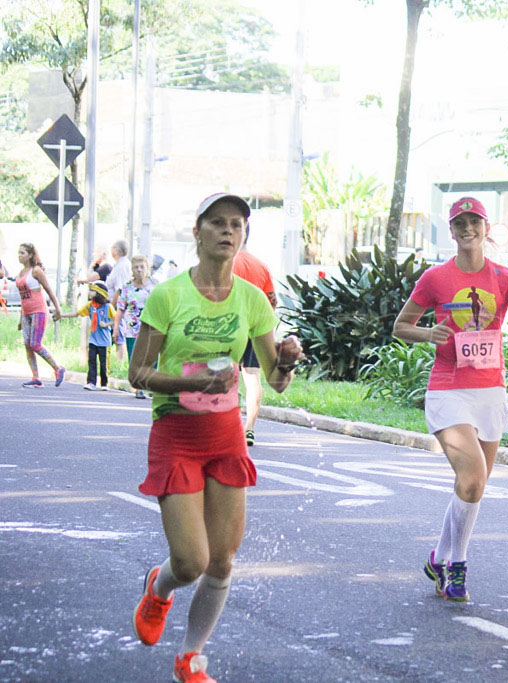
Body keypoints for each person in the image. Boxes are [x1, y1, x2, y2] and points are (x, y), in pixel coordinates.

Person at [128, 193, 304, 683]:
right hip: (176, 433)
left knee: (222, 561)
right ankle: (158, 588)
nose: (229, 232)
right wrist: (189, 383)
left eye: (237, 225)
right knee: (191, 562)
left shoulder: (251, 298)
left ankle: (191, 658)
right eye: (218, 223)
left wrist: (287, 357)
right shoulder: (168, 296)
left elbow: (276, 379)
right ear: (198, 232)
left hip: (225, 435)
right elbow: (136, 373)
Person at [393, 196, 508, 602]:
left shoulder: (503, 278)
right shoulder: (435, 278)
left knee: (474, 486)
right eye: (459, 223)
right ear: (451, 231)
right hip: (448, 390)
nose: (467, 229)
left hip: (490, 392)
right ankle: (457, 566)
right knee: (470, 478)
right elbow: (401, 326)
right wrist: (428, 334)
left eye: (474, 222)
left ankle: (438, 557)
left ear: (486, 229)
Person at [231, 226, 278, 447]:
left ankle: (227, 428)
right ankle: (249, 428)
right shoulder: (262, 266)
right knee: (252, 378)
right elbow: (272, 302)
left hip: (230, 327)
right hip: (256, 329)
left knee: (227, 376)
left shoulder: (227, 264)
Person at [15, 243, 66, 388]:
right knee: (27, 345)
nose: (20, 255)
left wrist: (57, 309)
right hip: (26, 313)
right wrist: (20, 319)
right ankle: (36, 377)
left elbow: (49, 290)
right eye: (19, 253)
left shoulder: (36, 271)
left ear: (30, 255)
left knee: (35, 344)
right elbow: (22, 297)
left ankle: (58, 368)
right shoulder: (20, 272)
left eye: (23, 253)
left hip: (38, 312)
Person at [112, 254, 156, 398]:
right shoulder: (127, 288)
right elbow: (120, 309)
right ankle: (139, 388)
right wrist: (116, 328)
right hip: (132, 329)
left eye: (142, 267)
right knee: (135, 359)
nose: (139, 270)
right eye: (136, 267)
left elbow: (163, 306)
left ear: (147, 268)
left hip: (152, 327)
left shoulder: (155, 286)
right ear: (132, 269)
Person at [71, 282, 114, 391]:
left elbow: (117, 319)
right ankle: (91, 382)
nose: (90, 293)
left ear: (99, 293)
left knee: (104, 364)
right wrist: (60, 315)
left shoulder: (108, 307)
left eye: (92, 290)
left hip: (104, 341)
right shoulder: (90, 305)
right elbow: (77, 313)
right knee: (92, 361)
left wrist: (107, 324)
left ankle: (104, 383)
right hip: (93, 339)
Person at [106, 240, 132, 362]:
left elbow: (119, 289)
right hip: (115, 304)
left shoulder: (122, 266)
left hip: (117, 305)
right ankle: (116, 361)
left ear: (116, 249)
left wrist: (112, 306)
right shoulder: (119, 264)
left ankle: (119, 362)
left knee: (118, 334)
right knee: (115, 334)